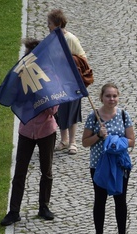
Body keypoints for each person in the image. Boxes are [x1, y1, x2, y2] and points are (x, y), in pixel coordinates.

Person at [0, 38, 57, 227]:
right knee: (20, 172)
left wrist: (41, 94)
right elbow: (16, 101)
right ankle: (14, 211)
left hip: (46, 130)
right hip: (26, 129)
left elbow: (53, 110)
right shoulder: (20, 76)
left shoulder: (51, 77)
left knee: (46, 170)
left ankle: (44, 206)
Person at [82, 83, 135, 234]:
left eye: (114, 96)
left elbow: (132, 140)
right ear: (101, 97)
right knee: (100, 199)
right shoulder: (94, 116)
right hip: (99, 165)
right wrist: (99, 135)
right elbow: (84, 142)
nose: (111, 99)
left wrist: (115, 142)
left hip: (119, 164)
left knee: (121, 199)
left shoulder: (124, 115)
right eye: (108, 96)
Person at [48, 9, 86, 156]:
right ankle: (63, 140)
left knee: (72, 110)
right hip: (57, 81)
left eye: (50, 23)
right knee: (59, 111)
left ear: (57, 24)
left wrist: (69, 60)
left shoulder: (71, 39)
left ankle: (72, 142)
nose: (48, 26)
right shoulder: (51, 39)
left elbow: (82, 59)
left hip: (72, 82)